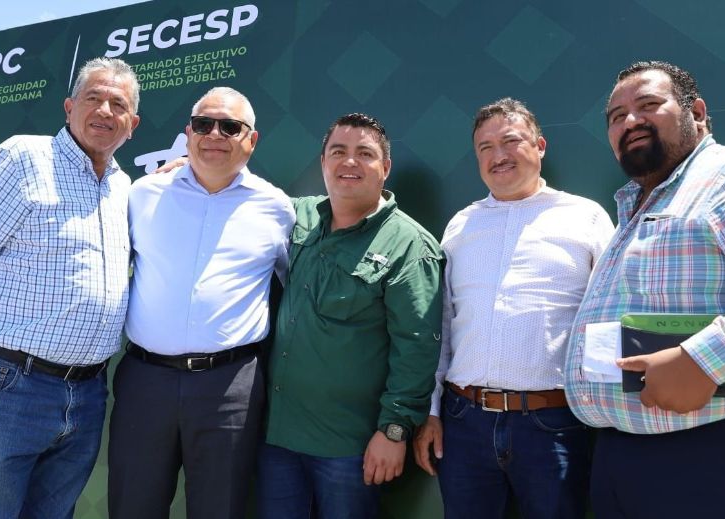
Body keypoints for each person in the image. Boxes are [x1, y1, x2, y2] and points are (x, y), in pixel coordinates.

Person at [565, 60, 725, 518]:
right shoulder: (636, 205)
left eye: (648, 104)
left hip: (718, 455)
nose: (630, 121)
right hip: (625, 456)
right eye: (616, 116)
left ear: (697, 113)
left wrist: (706, 360)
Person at [0, 57, 140, 518]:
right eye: (93, 98)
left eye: (118, 104)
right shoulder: (24, 159)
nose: (104, 110)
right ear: (69, 107)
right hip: (8, 389)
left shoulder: (125, 189)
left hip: (88, 394)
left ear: (132, 124)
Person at [412, 98, 614, 518]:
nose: (498, 155)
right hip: (463, 424)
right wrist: (431, 411)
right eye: (485, 147)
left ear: (540, 145)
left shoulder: (586, 218)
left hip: (553, 425)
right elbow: (443, 327)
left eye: (510, 141)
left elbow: (610, 318)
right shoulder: (461, 226)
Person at [107, 87, 294, 519]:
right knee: (133, 507)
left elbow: (293, 286)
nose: (214, 134)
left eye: (230, 127)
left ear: (252, 139)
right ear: (188, 133)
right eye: (203, 124)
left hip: (230, 386)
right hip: (144, 381)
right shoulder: (142, 194)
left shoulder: (277, 208)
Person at [256, 113, 444, 519]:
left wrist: (394, 431)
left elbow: (416, 349)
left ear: (385, 167)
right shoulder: (297, 215)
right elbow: (234, 195)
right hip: (277, 440)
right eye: (338, 152)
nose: (350, 162)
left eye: (365, 153)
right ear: (323, 161)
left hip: (348, 450)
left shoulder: (410, 245)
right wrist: (186, 167)